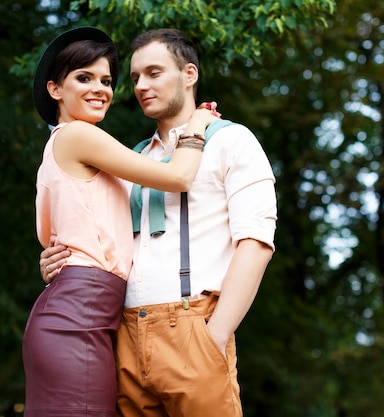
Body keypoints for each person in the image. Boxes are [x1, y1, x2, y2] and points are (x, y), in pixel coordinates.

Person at [39, 28, 277, 417]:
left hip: (193, 325)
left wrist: (215, 335)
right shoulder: (128, 159)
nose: (141, 85)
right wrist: (59, 262)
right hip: (124, 334)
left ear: (189, 74)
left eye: (153, 73)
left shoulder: (232, 140)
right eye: (134, 78)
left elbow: (256, 242)